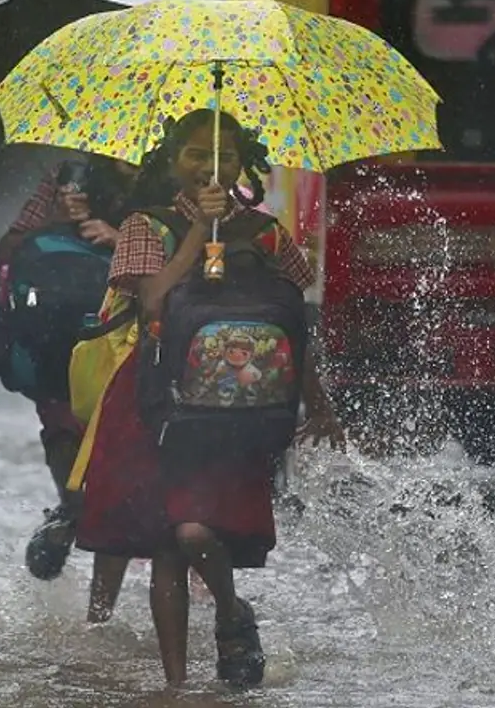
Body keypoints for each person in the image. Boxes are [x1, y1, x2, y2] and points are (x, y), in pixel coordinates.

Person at [73, 108, 345, 688]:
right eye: (196, 153)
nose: (209, 166)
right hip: (154, 405)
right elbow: (151, 303)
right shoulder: (145, 225)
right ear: (173, 161)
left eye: (223, 154)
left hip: (239, 409)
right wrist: (201, 231)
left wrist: (316, 402)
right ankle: (177, 688)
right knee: (162, 542)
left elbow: (293, 323)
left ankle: (229, 612)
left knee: (195, 533)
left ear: (242, 163)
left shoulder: (267, 231)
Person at [0, 154, 139, 624]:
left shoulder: (176, 189)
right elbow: (8, 250)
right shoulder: (66, 176)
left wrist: (124, 244)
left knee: (117, 471)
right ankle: (71, 512)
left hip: (132, 344)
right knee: (65, 440)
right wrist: (58, 220)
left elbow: (192, 270)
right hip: (58, 346)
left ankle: (99, 611)